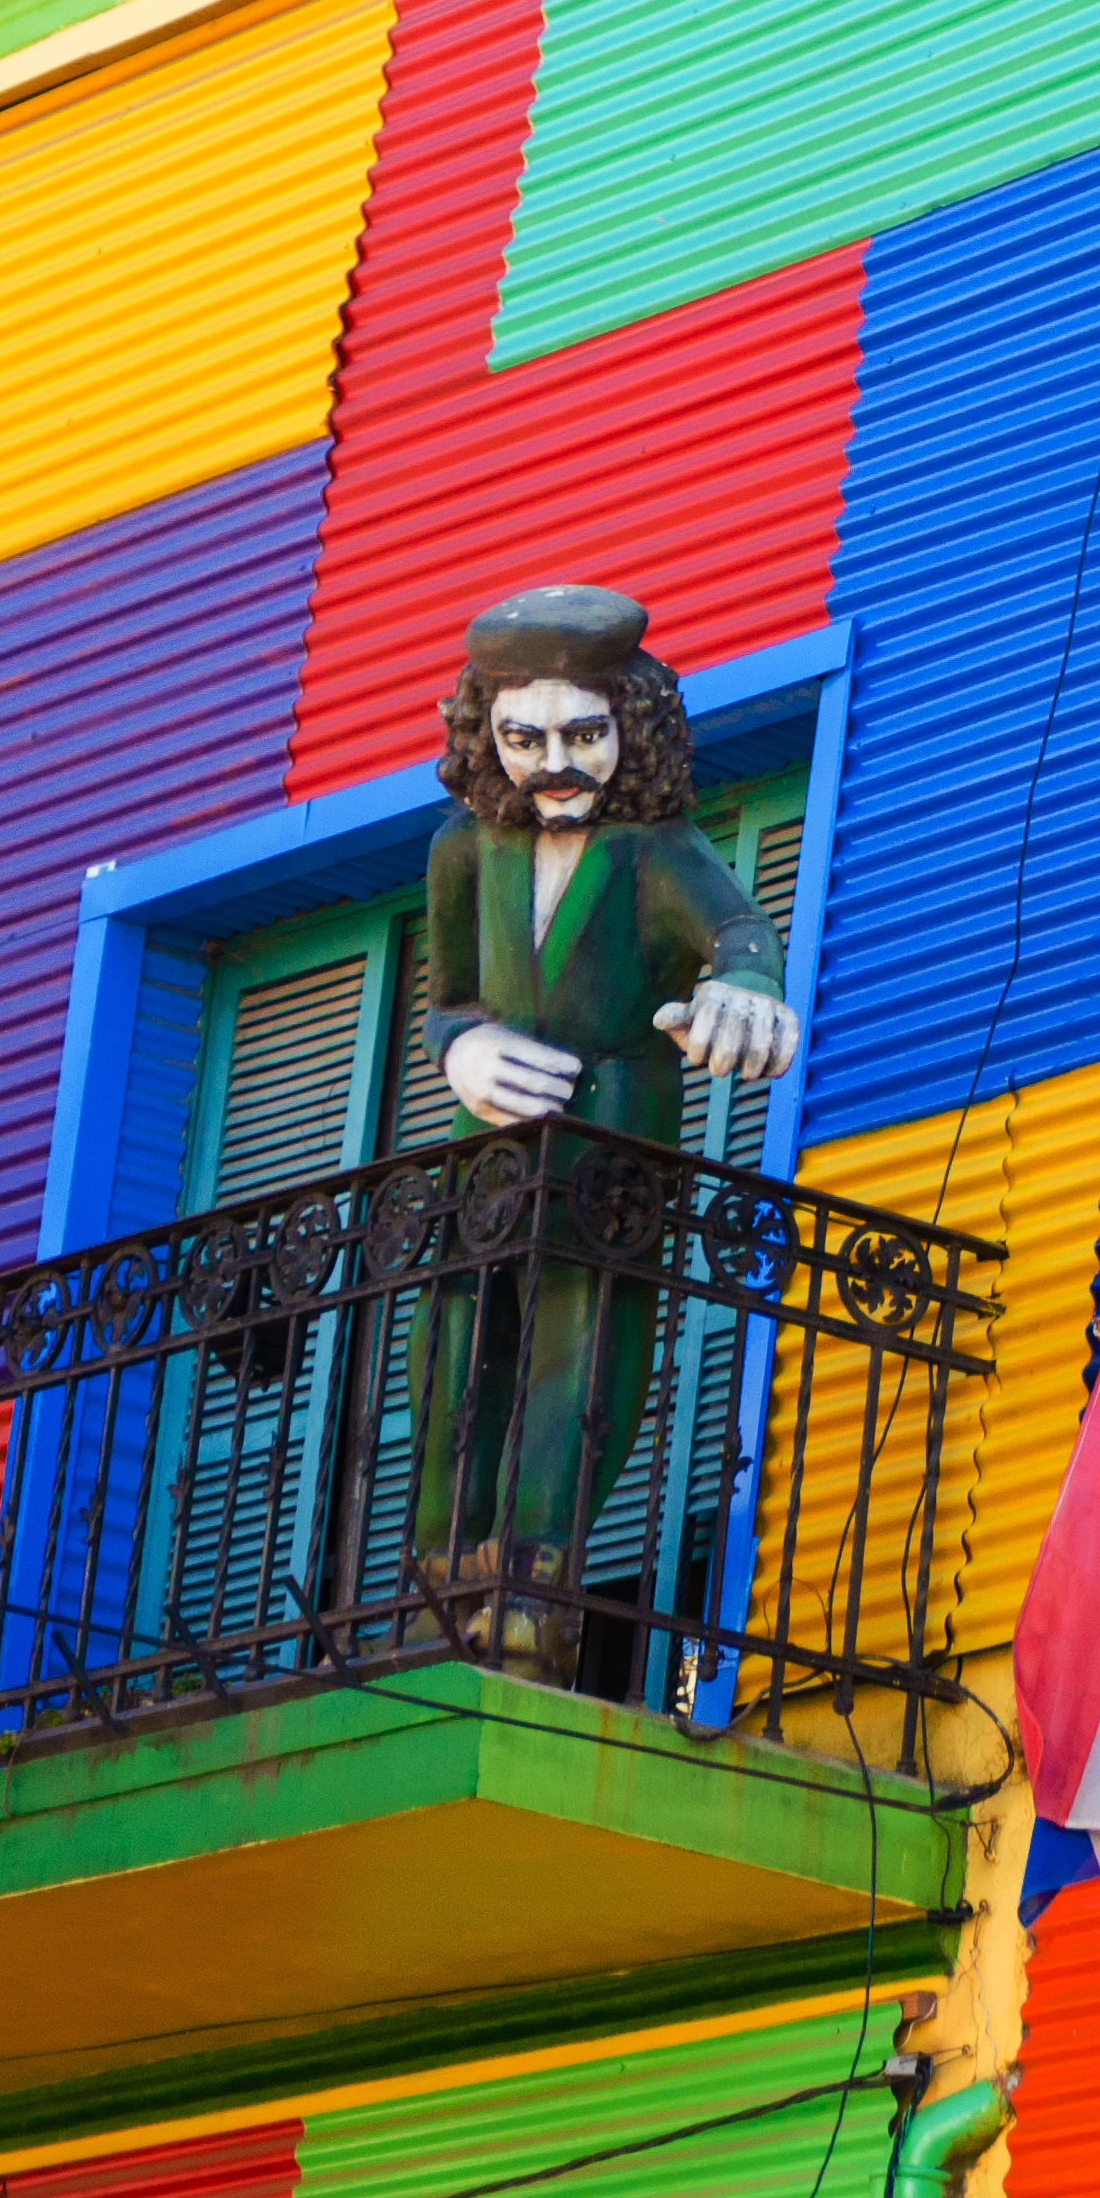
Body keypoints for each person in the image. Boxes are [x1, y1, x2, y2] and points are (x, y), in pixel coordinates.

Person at [405, 584, 801, 1678]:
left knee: (584, 1361)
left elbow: (739, 937)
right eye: (522, 738)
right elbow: (447, 1000)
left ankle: (530, 1584)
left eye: (583, 733)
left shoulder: (655, 854)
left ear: (633, 729)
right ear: (486, 736)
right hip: (480, 1154)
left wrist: (748, 995)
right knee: (453, 1361)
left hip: (613, 1149)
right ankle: (437, 1585)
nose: (553, 762)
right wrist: (458, 1052)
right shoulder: (462, 851)